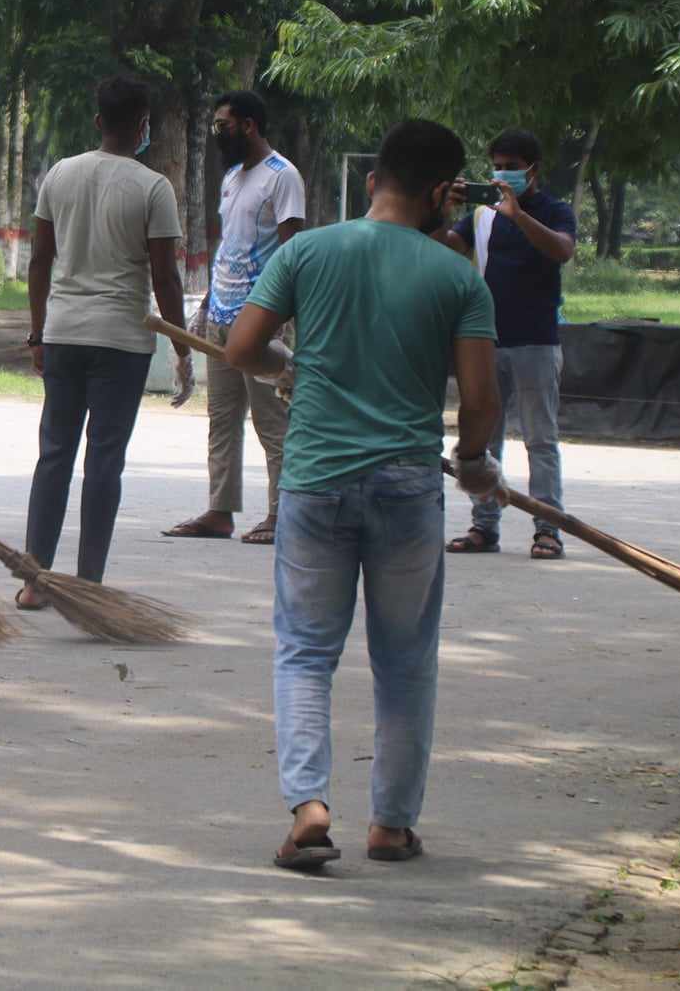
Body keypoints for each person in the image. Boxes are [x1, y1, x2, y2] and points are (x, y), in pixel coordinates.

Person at [225, 117, 501, 871]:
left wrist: (292, 365)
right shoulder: (457, 278)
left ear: (375, 178)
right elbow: (480, 397)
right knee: (406, 658)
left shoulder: (308, 251)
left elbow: (242, 347)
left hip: (314, 481)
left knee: (306, 652)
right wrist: (474, 462)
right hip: (409, 486)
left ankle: (310, 806)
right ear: (442, 192)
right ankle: (391, 824)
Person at [20, 76, 190, 606]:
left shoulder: (60, 175)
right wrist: (183, 347)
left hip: (65, 333)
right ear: (143, 126)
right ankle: (88, 586)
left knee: (54, 456)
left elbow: (41, 261)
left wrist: (37, 331)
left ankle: (35, 581)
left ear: (98, 121)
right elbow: (165, 276)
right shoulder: (153, 187)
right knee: (104, 462)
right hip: (122, 341)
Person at [163, 90, 305, 545]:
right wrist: (206, 305)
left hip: (259, 319)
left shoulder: (283, 177)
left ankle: (283, 514)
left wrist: (280, 316)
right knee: (221, 418)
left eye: (224, 125)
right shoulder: (231, 179)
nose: (217, 133)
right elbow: (231, 246)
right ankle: (219, 512)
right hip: (222, 314)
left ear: (249, 125)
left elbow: (291, 251)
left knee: (271, 420)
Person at [437, 128, 577, 560]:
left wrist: (517, 215)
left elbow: (562, 251)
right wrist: (441, 209)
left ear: (533, 170)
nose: (501, 174)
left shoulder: (554, 211)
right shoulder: (481, 215)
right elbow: (445, 247)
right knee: (482, 438)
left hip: (536, 340)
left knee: (540, 438)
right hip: (485, 340)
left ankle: (547, 527)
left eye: (511, 167)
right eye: (496, 165)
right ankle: (484, 526)